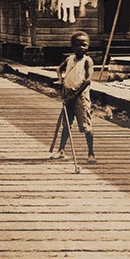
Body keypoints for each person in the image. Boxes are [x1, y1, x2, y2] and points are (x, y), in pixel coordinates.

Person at [52, 30, 97, 164]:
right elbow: (59, 69)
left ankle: (91, 153)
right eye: (78, 45)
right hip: (68, 95)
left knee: (85, 125)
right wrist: (61, 80)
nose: (81, 48)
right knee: (66, 124)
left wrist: (76, 95)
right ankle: (61, 150)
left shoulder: (87, 61)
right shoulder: (69, 59)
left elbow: (88, 80)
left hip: (81, 97)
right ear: (73, 46)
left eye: (84, 45)